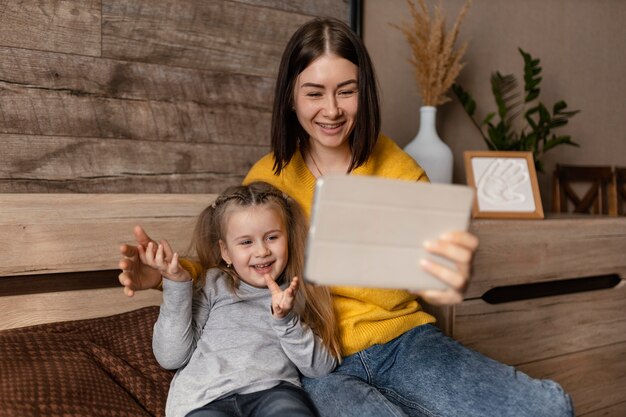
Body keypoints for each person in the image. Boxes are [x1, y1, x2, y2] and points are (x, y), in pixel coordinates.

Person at [119, 17, 574, 417]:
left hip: (404, 342)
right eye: (314, 93)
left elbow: (435, 269)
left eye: (347, 91)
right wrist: (162, 277)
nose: (332, 110)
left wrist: (448, 266)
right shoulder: (268, 176)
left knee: (548, 408)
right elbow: (226, 261)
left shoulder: (400, 169)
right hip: (318, 358)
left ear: (364, 93)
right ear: (291, 100)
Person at [146, 182, 339, 417]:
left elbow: (321, 368)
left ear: (288, 238)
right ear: (226, 251)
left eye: (271, 237)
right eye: (246, 242)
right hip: (206, 399)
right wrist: (176, 284)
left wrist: (285, 320)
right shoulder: (213, 284)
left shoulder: (295, 292)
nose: (261, 251)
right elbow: (171, 357)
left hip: (273, 392)